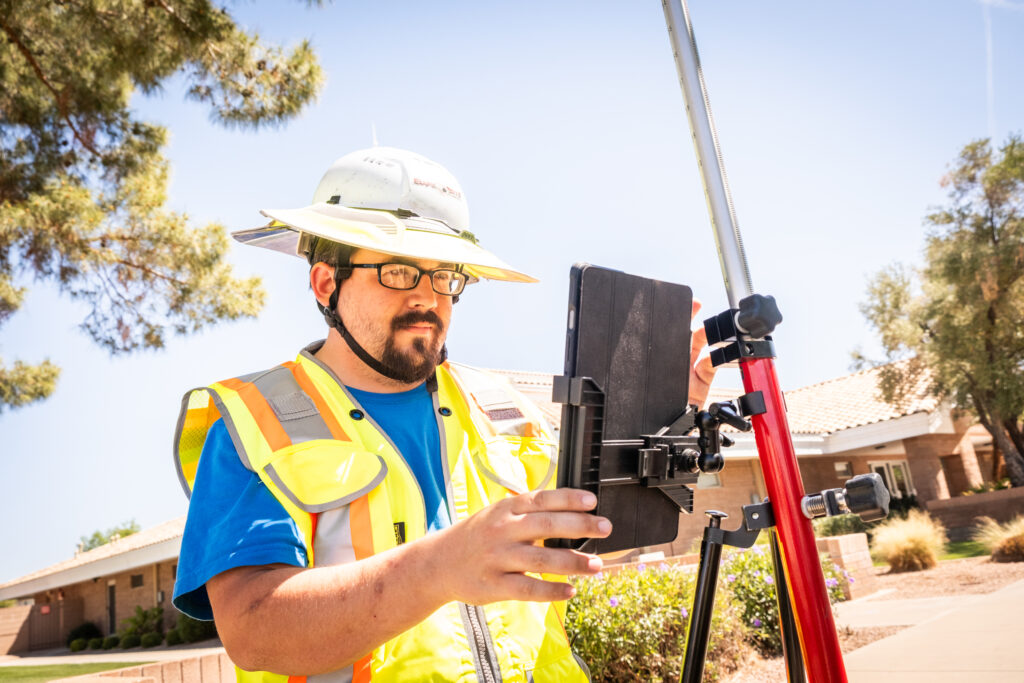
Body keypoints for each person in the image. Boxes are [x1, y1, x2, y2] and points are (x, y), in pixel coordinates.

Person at [172, 146, 716, 682]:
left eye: (445, 277)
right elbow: (252, 631)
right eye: (400, 272)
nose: (428, 298)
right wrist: (436, 570)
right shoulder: (254, 424)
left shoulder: (503, 408)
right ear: (325, 282)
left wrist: (672, 422)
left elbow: (590, 518)